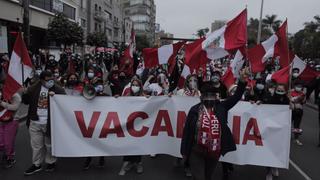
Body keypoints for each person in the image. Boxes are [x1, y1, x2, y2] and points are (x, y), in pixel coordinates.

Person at [181, 68, 248, 180]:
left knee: (208, 177)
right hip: (196, 150)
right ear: (202, 97)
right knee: (199, 177)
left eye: (212, 95)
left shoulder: (222, 107)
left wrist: (241, 81)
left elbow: (236, 97)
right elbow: (187, 132)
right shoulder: (194, 110)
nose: (209, 98)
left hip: (214, 152)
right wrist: (184, 152)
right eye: (206, 95)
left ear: (216, 96)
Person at [22, 71, 66, 175]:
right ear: (41, 80)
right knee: (36, 145)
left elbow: (65, 100)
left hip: (50, 122)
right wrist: (24, 93)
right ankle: (36, 164)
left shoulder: (57, 89)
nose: (50, 82)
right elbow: (26, 102)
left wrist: (56, 97)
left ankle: (51, 162)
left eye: (52, 79)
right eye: (47, 80)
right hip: (35, 121)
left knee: (49, 145)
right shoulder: (33, 88)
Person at [263, 83, 290, 180]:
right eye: (278, 90)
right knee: (270, 150)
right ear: (275, 90)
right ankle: (268, 171)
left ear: (285, 91)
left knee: (279, 150)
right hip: (271, 129)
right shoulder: (271, 99)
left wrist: (291, 106)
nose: (280, 92)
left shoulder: (287, 100)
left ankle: (275, 166)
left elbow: (292, 114)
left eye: (282, 90)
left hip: (281, 130)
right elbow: (264, 108)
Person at [119, 79, 144, 175]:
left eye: (137, 85)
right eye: (133, 85)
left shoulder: (144, 96)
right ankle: (126, 164)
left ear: (140, 86)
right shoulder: (127, 96)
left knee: (137, 145)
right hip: (128, 125)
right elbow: (120, 105)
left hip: (139, 125)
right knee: (128, 144)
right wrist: (117, 99)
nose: (134, 87)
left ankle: (138, 163)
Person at [0, 91, 22, 168]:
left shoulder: (15, 96)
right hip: (2, 120)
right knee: (1, 141)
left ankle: (9, 158)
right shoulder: (2, 93)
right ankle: (6, 154)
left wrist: (2, 103)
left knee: (8, 142)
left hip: (12, 121)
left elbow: (15, 107)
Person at [290, 80, 306, 146]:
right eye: (297, 86)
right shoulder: (290, 92)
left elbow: (303, 102)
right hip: (291, 111)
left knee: (297, 126)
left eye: (300, 86)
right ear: (295, 86)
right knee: (288, 124)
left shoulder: (303, 93)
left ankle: (296, 139)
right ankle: (286, 136)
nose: (299, 87)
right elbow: (289, 100)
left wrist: (303, 96)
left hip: (299, 111)